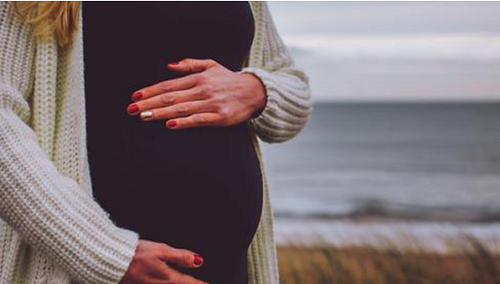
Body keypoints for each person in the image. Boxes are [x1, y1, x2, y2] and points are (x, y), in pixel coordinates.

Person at [0, 1, 312, 284]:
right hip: (95, 267)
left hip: (228, 268)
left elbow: (292, 87)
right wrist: (104, 254)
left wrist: (256, 90)